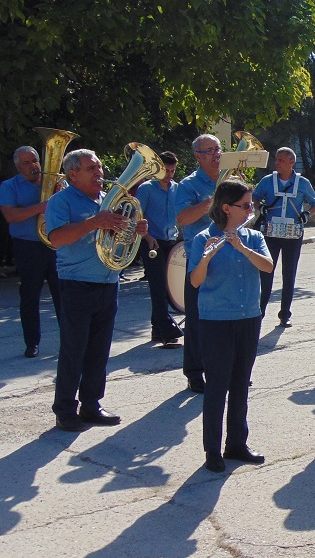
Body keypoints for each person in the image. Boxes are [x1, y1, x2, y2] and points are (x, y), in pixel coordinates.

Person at [46, 149, 148, 431]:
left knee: (99, 351)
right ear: (73, 174)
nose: (99, 172)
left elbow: (114, 237)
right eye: (91, 168)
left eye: (99, 167)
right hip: (76, 283)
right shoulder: (60, 201)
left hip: (108, 281)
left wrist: (133, 230)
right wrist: (94, 222)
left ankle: (91, 405)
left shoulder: (108, 200)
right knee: (74, 350)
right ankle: (65, 409)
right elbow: (56, 238)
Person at [189, 179, 274, 473]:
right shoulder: (203, 238)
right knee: (217, 386)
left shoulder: (253, 237)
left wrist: (241, 247)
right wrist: (207, 257)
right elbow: (195, 281)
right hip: (216, 321)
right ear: (227, 208)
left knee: (241, 383)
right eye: (246, 205)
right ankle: (212, 450)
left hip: (248, 317)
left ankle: (237, 443)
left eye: (251, 205)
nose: (251, 210)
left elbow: (268, 266)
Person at [0, 145, 61, 358]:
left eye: (35, 160)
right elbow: (10, 216)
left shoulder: (53, 183)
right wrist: (40, 207)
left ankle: (70, 340)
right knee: (29, 295)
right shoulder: (9, 186)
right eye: (26, 163)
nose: (33, 165)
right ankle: (32, 343)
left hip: (54, 244)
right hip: (27, 247)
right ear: (18, 167)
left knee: (63, 294)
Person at [174, 134, 223, 393]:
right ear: (197, 156)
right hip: (199, 259)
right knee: (196, 320)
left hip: (228, 257)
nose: (217, 154)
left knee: (225, 317)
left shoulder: (230, 179)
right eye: (210, 150)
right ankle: (194, 373)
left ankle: (224, 369)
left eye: (218, 149)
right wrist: (211, 202)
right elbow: (182, 218)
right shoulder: (188, 185)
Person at [253, 147, 315, 326]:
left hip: (293, 234)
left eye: (281, 160)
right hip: (270, 233)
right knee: (266, 272)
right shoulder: (268, 180)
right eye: (277, 159)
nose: (277, 163)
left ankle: (285, 314)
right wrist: (260, 207)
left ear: (292, 162)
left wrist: (307, 214)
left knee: (289, 274)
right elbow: (255, 197)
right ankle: (259, 312)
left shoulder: (302, 182)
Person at [136, 150, 183, 345]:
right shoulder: (146, 189)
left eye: (172, 171)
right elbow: (136, 217)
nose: (169, 175)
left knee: (167, 286)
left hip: (170, 241)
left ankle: (157, 330)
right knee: (157, 286)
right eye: (166, 171)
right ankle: (167, 331)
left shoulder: (177, 188)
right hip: (151, 242)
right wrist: (147, 237)